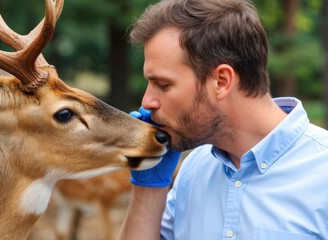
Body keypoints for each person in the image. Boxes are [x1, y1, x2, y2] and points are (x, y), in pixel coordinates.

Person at [119, 0, 328, 239]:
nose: (147, 102)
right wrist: (148, 188)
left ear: (221, 82)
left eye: (163, 85)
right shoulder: (194, 170)